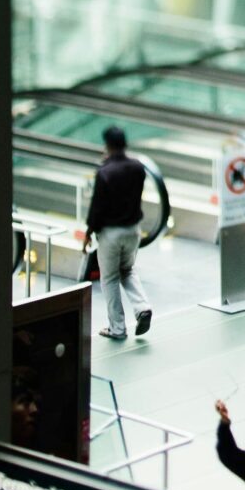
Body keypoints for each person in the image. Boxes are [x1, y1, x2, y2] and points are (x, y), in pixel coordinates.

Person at [84, 125, 152, 341]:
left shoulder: (105, 173)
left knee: (110, 278)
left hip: (111, 233)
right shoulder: (138, 167)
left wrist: (88, 231)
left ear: (107, 145)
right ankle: (142, 308)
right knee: (128, 270)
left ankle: (118, 328)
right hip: (133, 230)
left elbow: (97, 207)